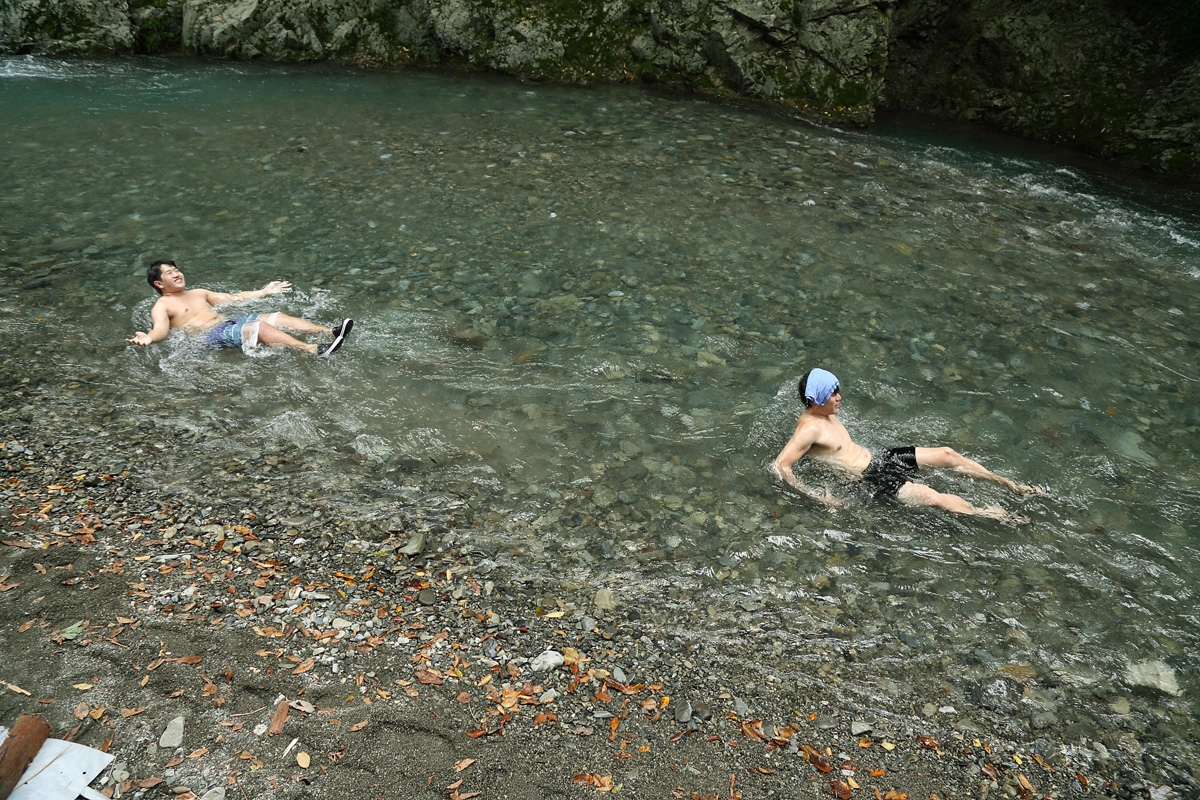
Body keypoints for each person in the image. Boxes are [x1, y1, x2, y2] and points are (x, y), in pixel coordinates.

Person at [772, 368, 1042, 519]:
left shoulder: (827, 414)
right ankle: (996, 515)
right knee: (933, 498)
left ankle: (1010, 485)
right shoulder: (808, 428)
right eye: (833, 394)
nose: (840, 397)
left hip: (881, 458)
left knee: (948, 454)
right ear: (817, 398)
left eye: (838, 390)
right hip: (870, 479)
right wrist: (819, 496)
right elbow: (781, 465)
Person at [126, 260, 352, 357]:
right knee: (259, 327)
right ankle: (312, 350)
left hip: (227, 323)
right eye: (169, 272)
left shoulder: (199, 293)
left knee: (276, 317)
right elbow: (161, 329)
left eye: (176, 269)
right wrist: (148, 338)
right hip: (209, 335)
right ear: (158, 283)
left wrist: (264, 291)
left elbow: (234, 298)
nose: (176, 273)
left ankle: (328, 332)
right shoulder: (162, 305)